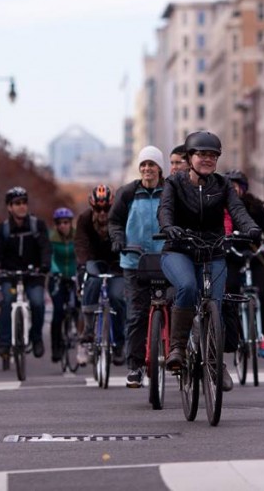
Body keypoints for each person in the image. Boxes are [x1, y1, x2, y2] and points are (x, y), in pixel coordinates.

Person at [157, 131, 261, 392]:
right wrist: (168, 227)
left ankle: (215, 361)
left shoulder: (222, 184)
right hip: (178, 250)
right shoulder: (174, 183)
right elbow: (165, 209)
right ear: (190, 157)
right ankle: (178, 348)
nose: (208, 159)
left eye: (213, 155)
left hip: (213, 250)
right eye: (202, 154)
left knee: (216, 303)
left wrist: (251, 228)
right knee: (188, 288)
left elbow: (237, 210)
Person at [109, 145, 166, 388]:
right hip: (135, 262)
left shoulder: (170, 192)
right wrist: (118, 239)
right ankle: (135, 367)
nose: (147, 169)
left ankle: (178, 355)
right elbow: (114, 221)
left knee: (177, 307)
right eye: (143, 165)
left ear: (160, 168)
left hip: (166, 260)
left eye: (151, 164)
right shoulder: (128, 193)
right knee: (136, 314)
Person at [223, 169, 264, 358]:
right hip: (231, 256)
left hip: (254, 255)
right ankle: (236, 334)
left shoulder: (255, 206)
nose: (233, 190)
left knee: (262, 293)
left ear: (243, 188)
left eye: (236, 186)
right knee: (231, 291)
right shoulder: (220, 206)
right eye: (229, 186)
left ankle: (263, 335)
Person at [0, 186, 52, 361]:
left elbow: (46, 247)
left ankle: (36, 337)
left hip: (33, 275)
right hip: (9, 274)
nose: (22, 206)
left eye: (24, 202)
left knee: (38, 303)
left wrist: (45, 265)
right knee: (7, 301)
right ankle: (4, 343)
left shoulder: (37, 225)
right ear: (9, 207)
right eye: (17, 203)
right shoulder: (3, 229)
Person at [75, 184, 124, 367]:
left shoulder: (120, 218)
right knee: (91, 283)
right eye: (98, 209)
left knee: (117, 298)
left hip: (117, 263)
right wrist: (82, 264)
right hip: (94, 260)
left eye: (106, 209)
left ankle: (119, 343)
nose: (102, 213)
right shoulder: (85, 219)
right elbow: (80, 243)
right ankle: (87, 333)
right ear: (92, 207)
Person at [48, 207, 77, 363]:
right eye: (60, 223)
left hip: (73, 277)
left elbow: (81, 253)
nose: (63, 226)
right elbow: (50, 257)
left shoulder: (77, 236)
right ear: (56, 224)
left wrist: (80, 270)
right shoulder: (51, 238)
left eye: (66, 222)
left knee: (78, 306)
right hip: (57, 278)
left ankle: (80, 340)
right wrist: (55, 271)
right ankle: (56, 347)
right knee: (58, 311)